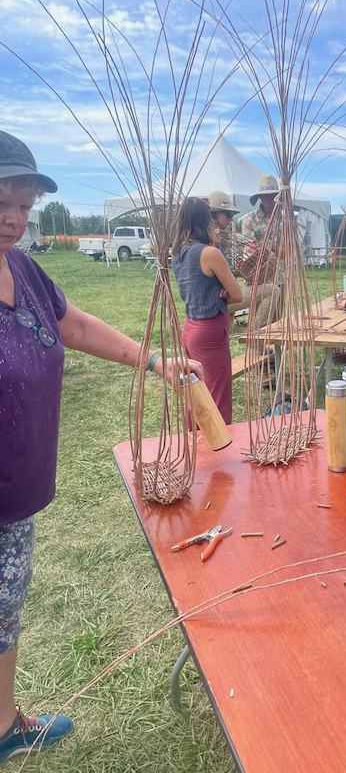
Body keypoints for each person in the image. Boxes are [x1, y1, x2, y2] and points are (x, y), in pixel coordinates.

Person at [0, 130, 203, 763]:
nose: (15, 218)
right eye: (2, 201)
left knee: (6, 609)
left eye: (25, 206)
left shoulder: (23, 270)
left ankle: (5, 723)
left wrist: (154, 361)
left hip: (15, 493)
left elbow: (76, 325)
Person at [172, 197, 242, 424]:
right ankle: (218, 452)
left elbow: (199, 283)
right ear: (205, 220)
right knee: (217, 397)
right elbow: (238, 295)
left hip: (191, 328)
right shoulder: (209, 253)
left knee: (197, 394)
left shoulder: (177, 252)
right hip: (211, 330)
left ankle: (197, 448)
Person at [208, 190, 279, 329]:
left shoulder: (218, 237)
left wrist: (237, 272)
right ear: (214, 214)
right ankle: (255, 335)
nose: (231, 219)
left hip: (226, 294)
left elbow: (221, 270)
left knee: (224, 334)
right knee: (273, 291)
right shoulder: (211, 240)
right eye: (228, 215)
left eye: (232, 215)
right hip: (218, 298)